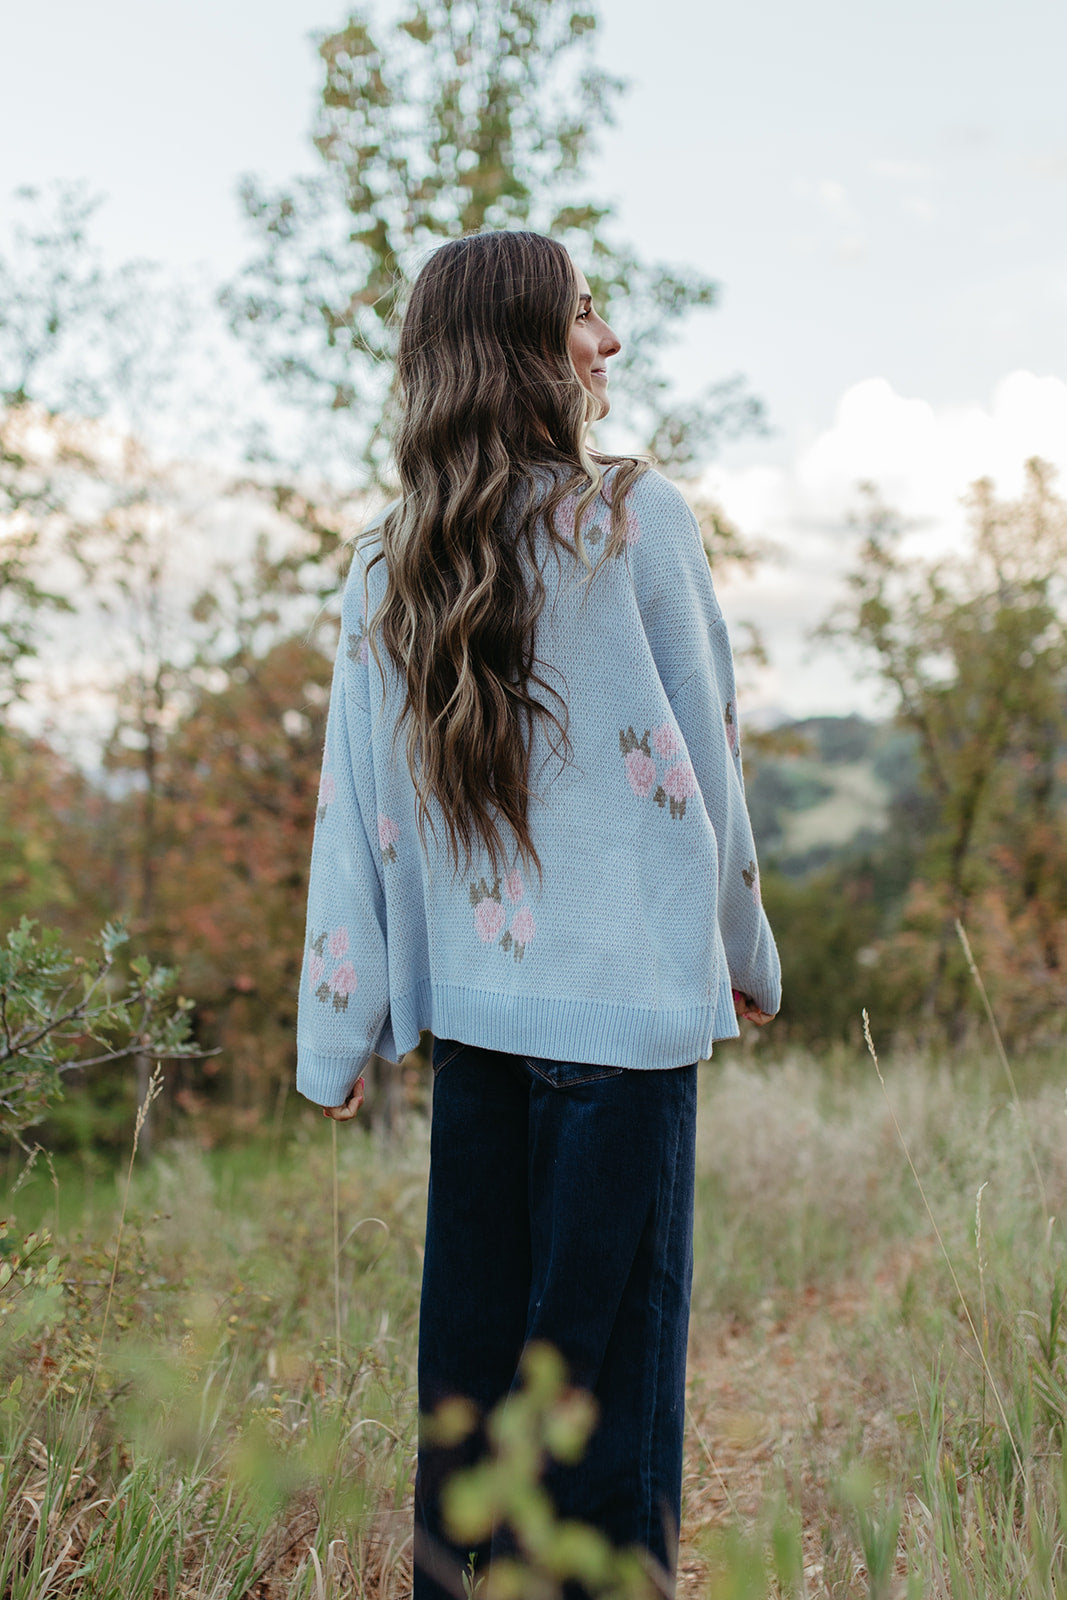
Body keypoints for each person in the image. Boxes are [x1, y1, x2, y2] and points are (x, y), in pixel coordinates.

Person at [295, 230, 780, 1597]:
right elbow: (709, 767)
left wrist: (337, 1030)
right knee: (603, 1409)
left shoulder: (389, 560)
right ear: (519, 344)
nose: (607, 341)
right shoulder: (635, 520)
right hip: (624, 1038)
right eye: (583, 313)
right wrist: (747, 956)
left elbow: (352, 813)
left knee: (471, 1391)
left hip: (479, 1035)